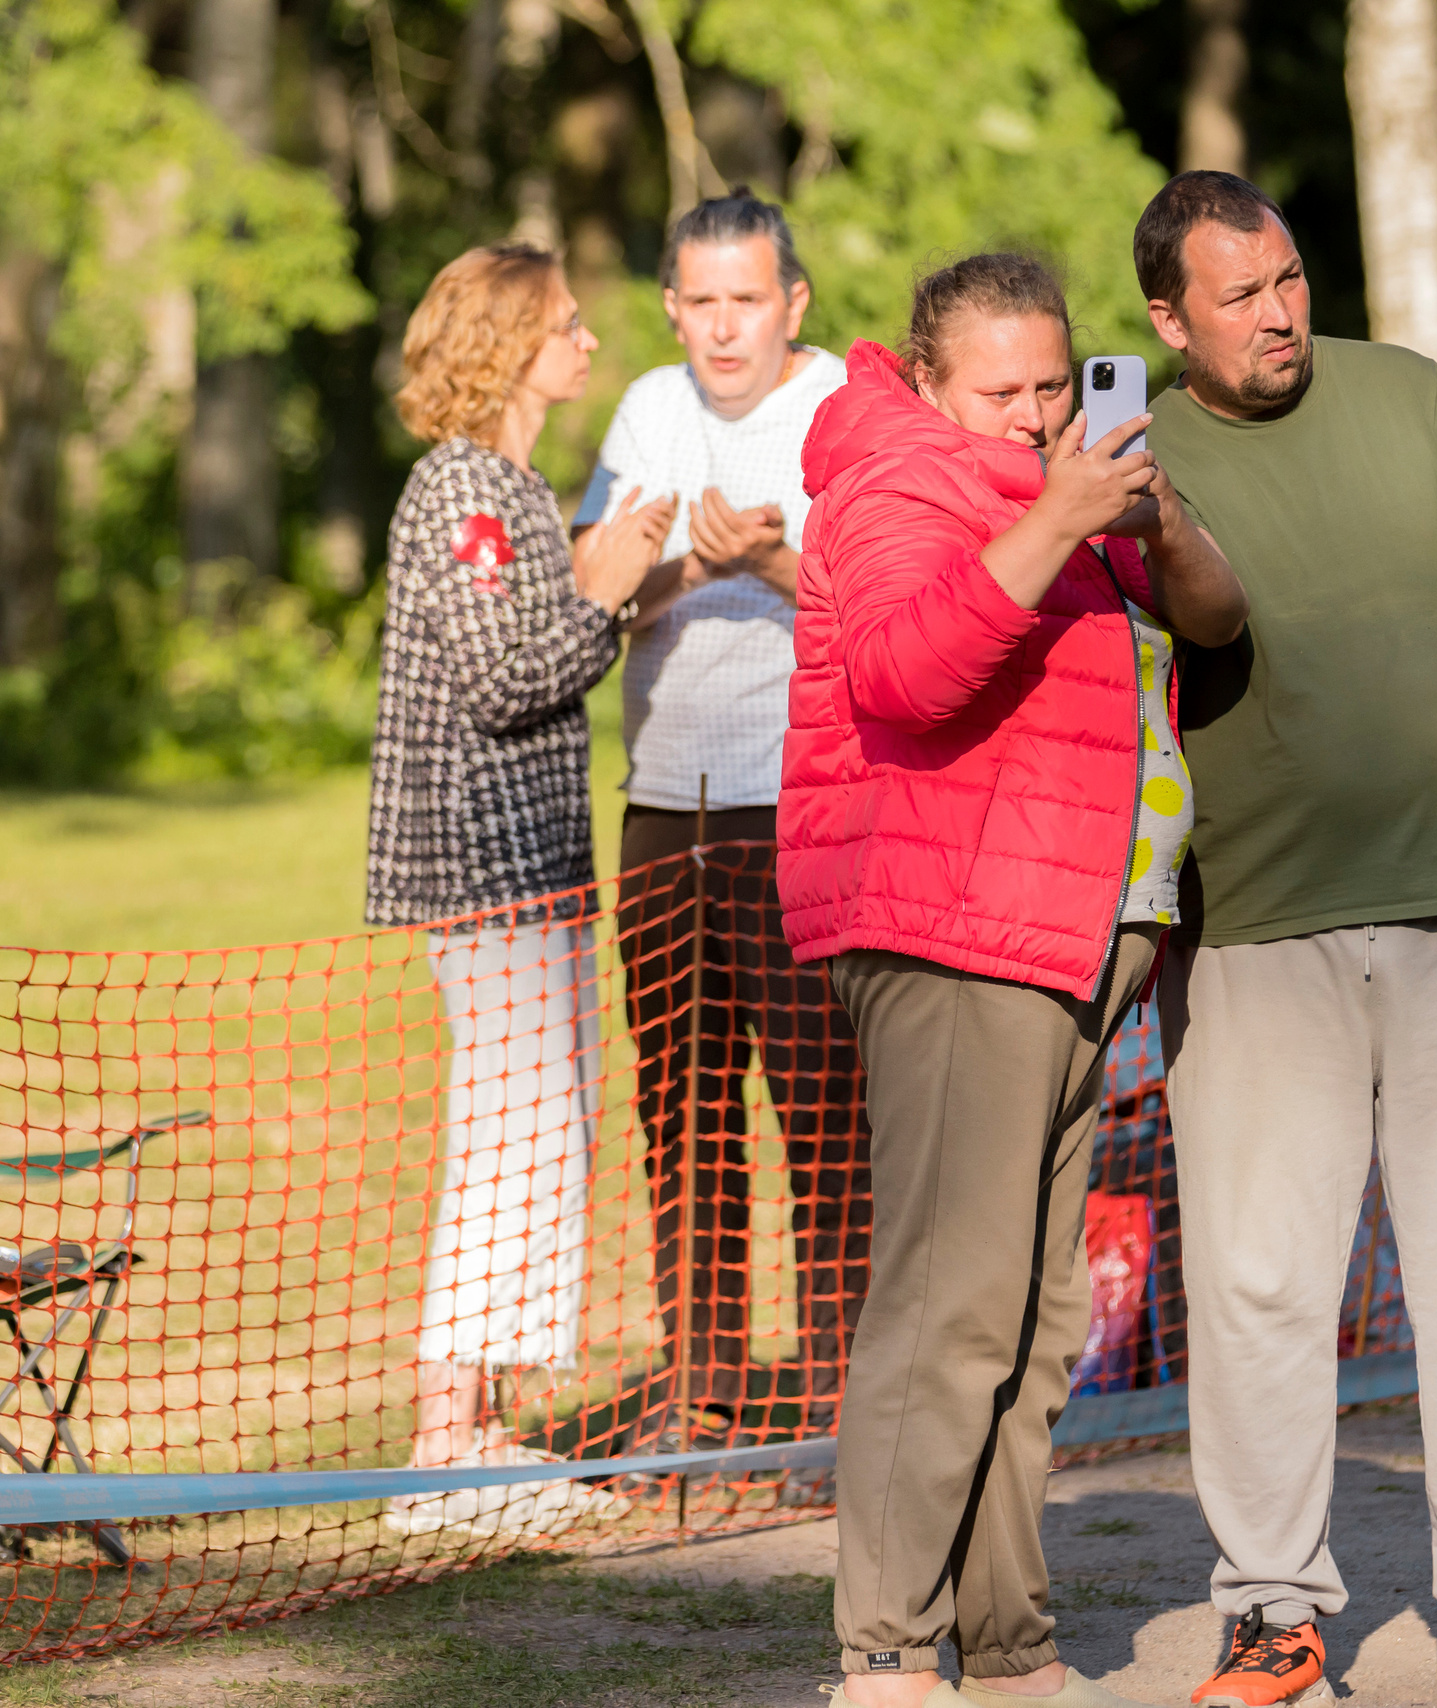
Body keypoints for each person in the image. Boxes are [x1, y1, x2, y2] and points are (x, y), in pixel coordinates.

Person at [1133, 172, 1437, 1708]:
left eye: (1288, 278)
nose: (1280, 314)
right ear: (1167, 318)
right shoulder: (1132, 456)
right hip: (1251, 931)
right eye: (1241, 295)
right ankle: (1272, 1612)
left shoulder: (1408, 397)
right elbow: (1168, 640)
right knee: (1263, 1282)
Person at [779, 254, 1248, 1708]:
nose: (1037, 414)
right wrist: (1052, 515)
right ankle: (887, 1652)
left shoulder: (1077, 496)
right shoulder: (900, 482)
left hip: (1067, 938)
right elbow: (906, 677)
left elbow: (1221, 625)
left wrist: (1147, 515)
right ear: (929, 382)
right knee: (949, 1306)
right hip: (955, 931)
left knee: (1035, 1322)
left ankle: (1005, 1642)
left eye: (1056, 385)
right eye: (1004, 391)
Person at [365, 243, 677, 1533]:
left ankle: (479, 1418)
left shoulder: (505, 487)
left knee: (538, 1138)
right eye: (564, 322)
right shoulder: (471, 493)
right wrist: (603, 599)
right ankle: (450, 1443)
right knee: (511, 1144)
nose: (587, 342)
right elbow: (507, 678)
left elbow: (531, 650)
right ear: (507, 343)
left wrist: (656, 573)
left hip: (526, 869)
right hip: (485, 872)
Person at [571, 189, 861, 1472]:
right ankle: (706, 1381)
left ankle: (848, 1385)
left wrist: (773, 563)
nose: (724, 328)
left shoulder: (844, 401)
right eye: (701, 302)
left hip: (810, 808)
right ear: (672, 306)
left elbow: (901, 593)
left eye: (749, 300)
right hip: (663, 815)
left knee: (824, 1105)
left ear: (792, 301)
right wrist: (692, 565)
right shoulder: (648, 409)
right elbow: (591, 586)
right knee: (683, 1109)